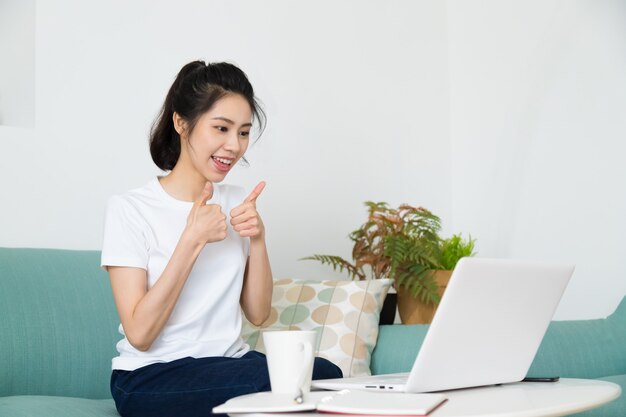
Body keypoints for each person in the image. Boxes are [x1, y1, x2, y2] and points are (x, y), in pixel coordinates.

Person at [101, 60, 342, 417]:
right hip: (151, 377)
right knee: (275, 384)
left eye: (243, 132)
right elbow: (140, 334)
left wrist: (257, 239)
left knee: (327, 375)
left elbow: (258, 314)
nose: (234, 146)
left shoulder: (236, 200)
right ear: (181, 123)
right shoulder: (130, 209)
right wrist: (191, 240)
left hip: (230, 363)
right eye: (221, 128)